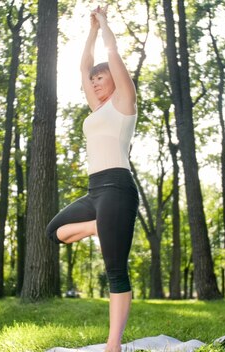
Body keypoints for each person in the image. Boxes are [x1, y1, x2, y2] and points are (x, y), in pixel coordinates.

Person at [45, 5, 139, 352]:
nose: (95, 81)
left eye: (102, 77)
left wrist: (106, 24)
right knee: (54, 231)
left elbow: (112, 57)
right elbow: (83, 66)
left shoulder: (125, 103)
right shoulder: (96, 110)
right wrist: (90, 32)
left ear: (114, 80)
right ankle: (100, 226)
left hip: (117, 188)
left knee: (115, 269)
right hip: (95, 191)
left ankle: (112, 344)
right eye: (94, 80)